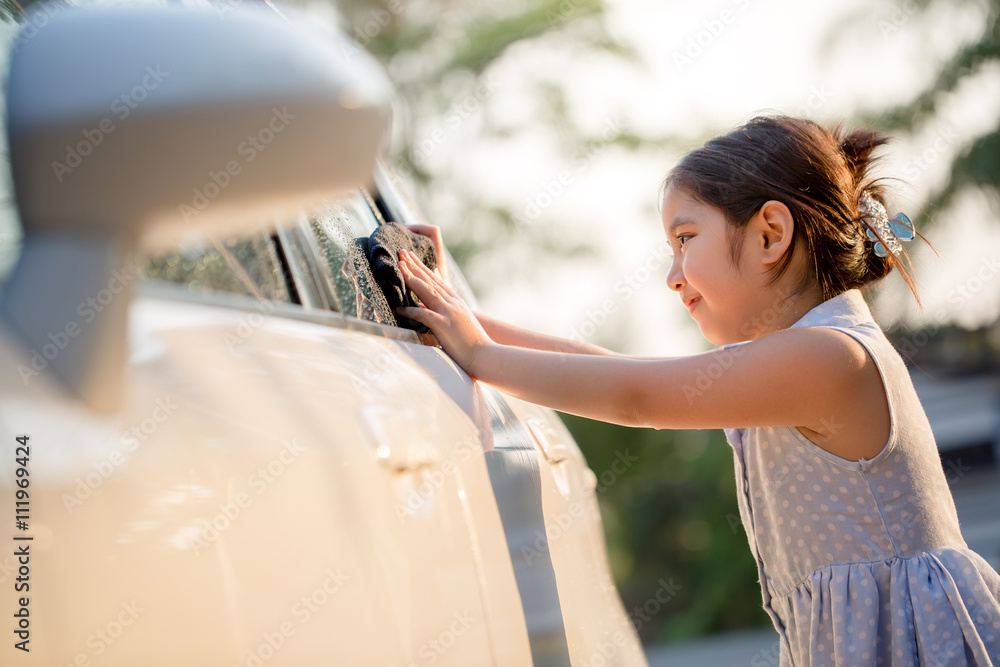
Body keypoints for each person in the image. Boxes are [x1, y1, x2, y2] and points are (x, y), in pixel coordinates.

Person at [396, 114, 1000, 665]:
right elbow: (619, 368)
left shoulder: (829, 356)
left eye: (685, 239)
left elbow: (637, 395)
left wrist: (477, 353)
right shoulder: (803, 352)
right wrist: (463, 314)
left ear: (769, 234)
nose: (672, 275)